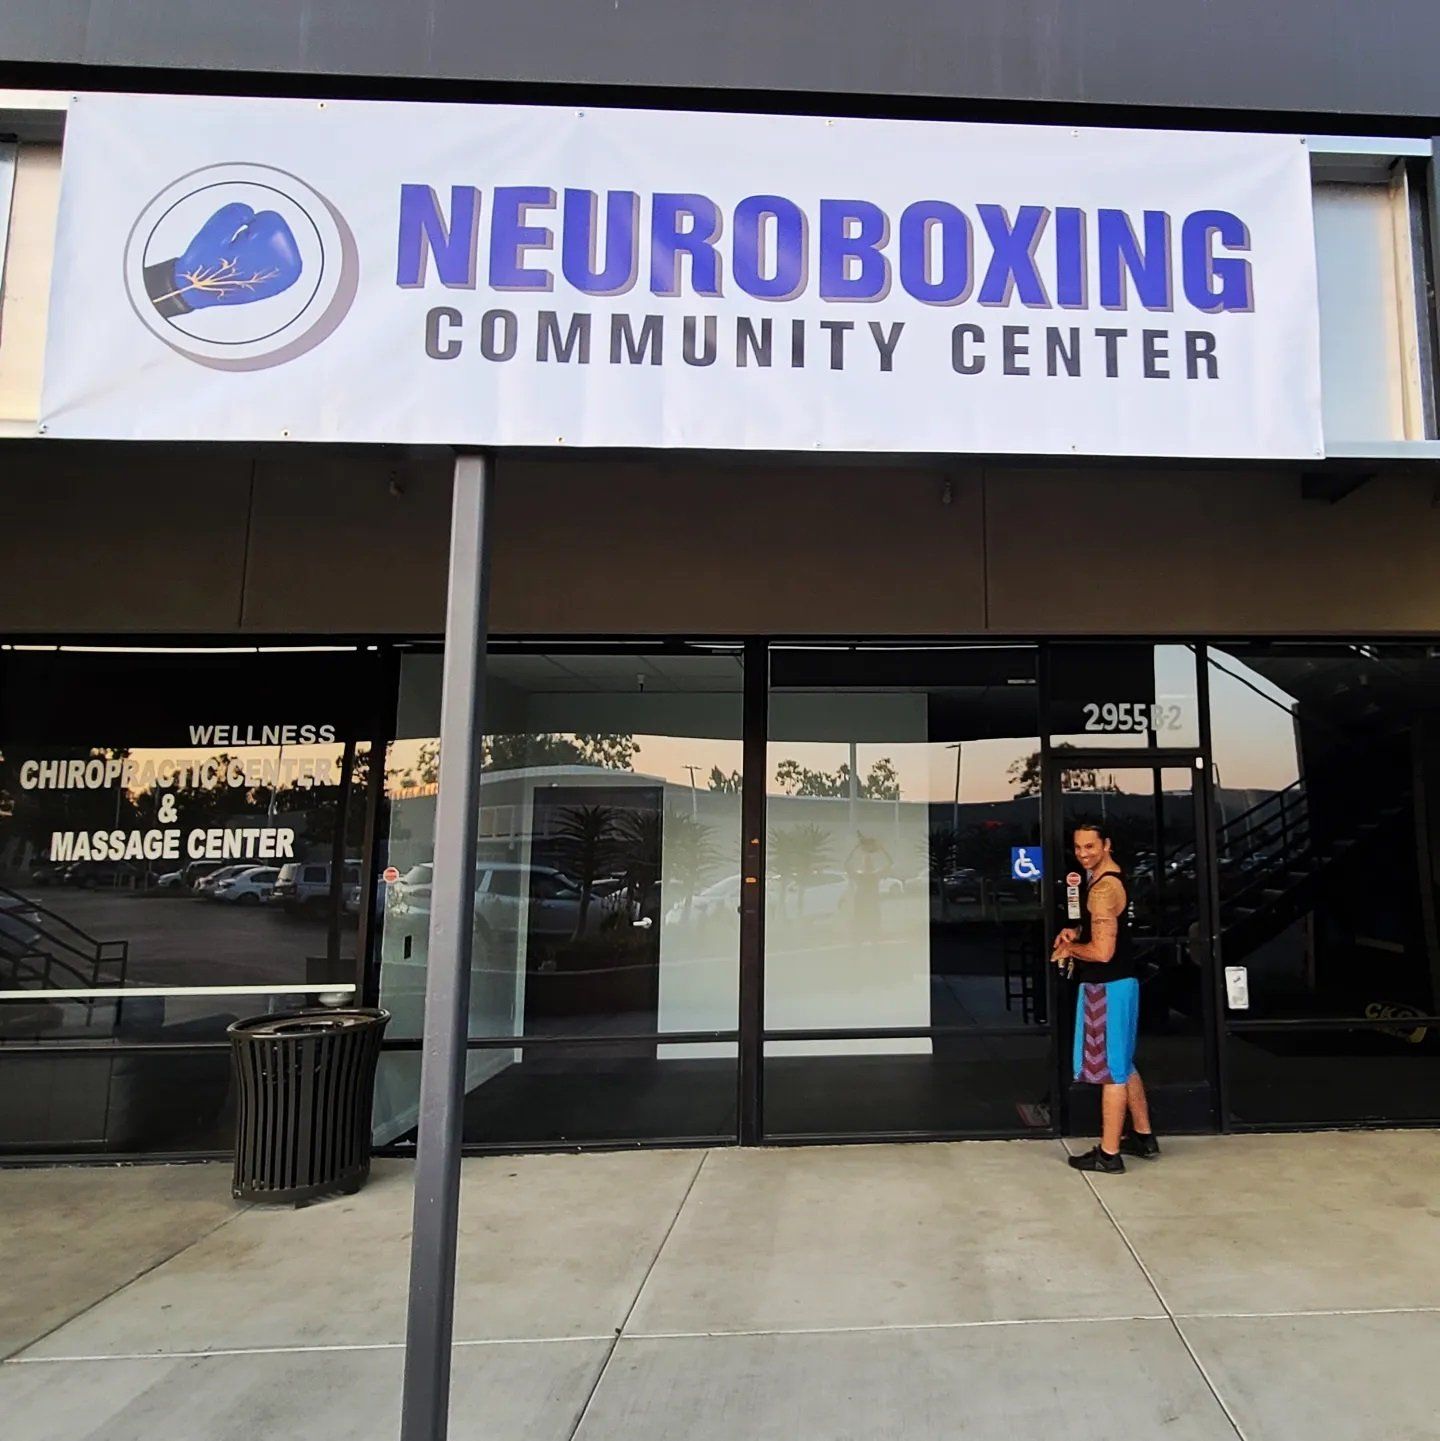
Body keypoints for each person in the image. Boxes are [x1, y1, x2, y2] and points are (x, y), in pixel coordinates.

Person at [1051, 822, 1159, 1173]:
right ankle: (1143, 1136)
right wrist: (1076, 929)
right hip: (1121, 984)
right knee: (1123, 1062)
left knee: (1112, 1072)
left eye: (1090, 847)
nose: (1083, 854)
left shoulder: (1101, 890)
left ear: (1106, 845)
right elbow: (1105, 928)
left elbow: (1101, 952)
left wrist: (1069, 949)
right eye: (1078, 847)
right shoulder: (1110, 878)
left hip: (1106, 988)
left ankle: (1109, 1155)